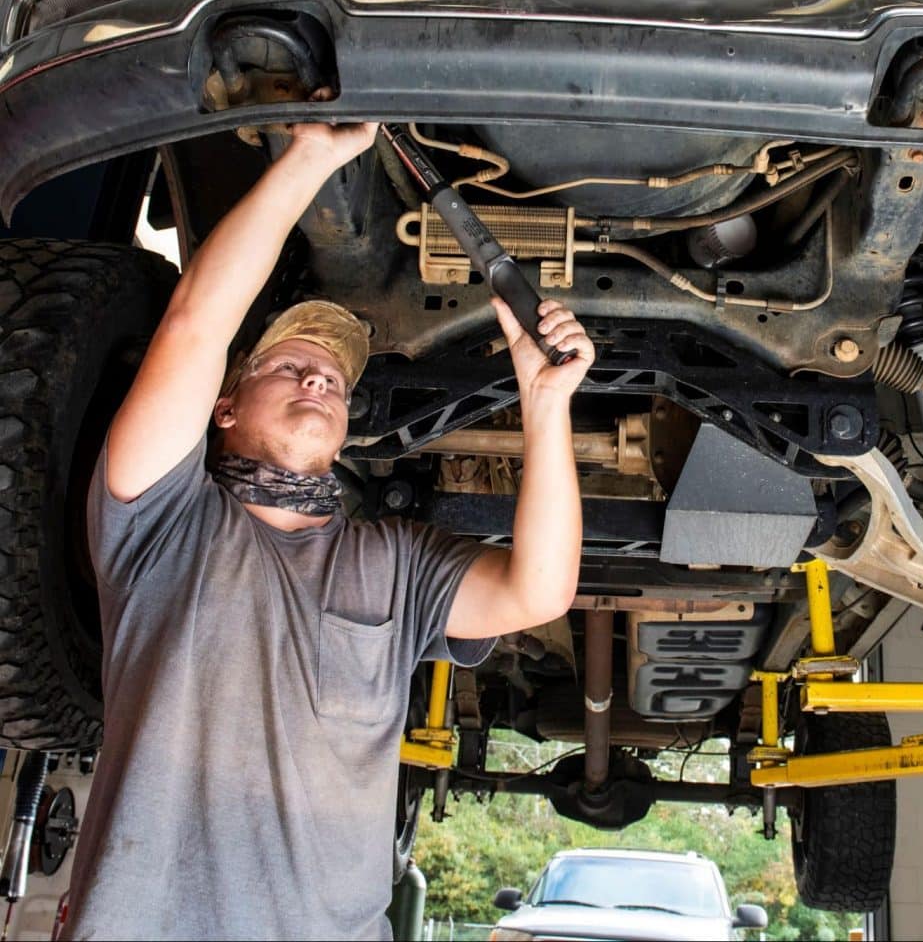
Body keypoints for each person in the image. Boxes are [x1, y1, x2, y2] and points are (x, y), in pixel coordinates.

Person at [64, 120, 595, 941]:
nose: (318, 374)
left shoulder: (393, 562)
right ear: (225, 407)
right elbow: (195, 324)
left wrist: (546, 406)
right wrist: (312, 156)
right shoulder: (159, 526)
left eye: (334, 380)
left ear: (345, 434)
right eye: (285, 366)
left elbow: (540, 589)